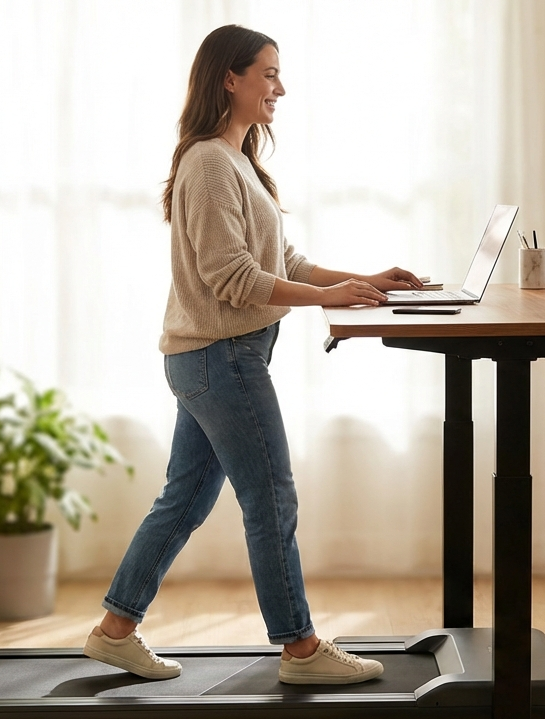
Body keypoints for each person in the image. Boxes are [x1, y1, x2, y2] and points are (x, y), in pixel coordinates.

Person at [82, 24, 422, 684]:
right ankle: (299, 650)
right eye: (268, 73)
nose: (280, 87)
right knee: (271, 500)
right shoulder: (210, 161)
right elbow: (231, 277)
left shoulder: (237, 162)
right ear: (228, 78)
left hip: (215, 356)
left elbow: (281, 260)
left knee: (183, 501)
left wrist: (362, 280)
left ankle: (115, 630)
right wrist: (336, 296)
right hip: (222, 356)